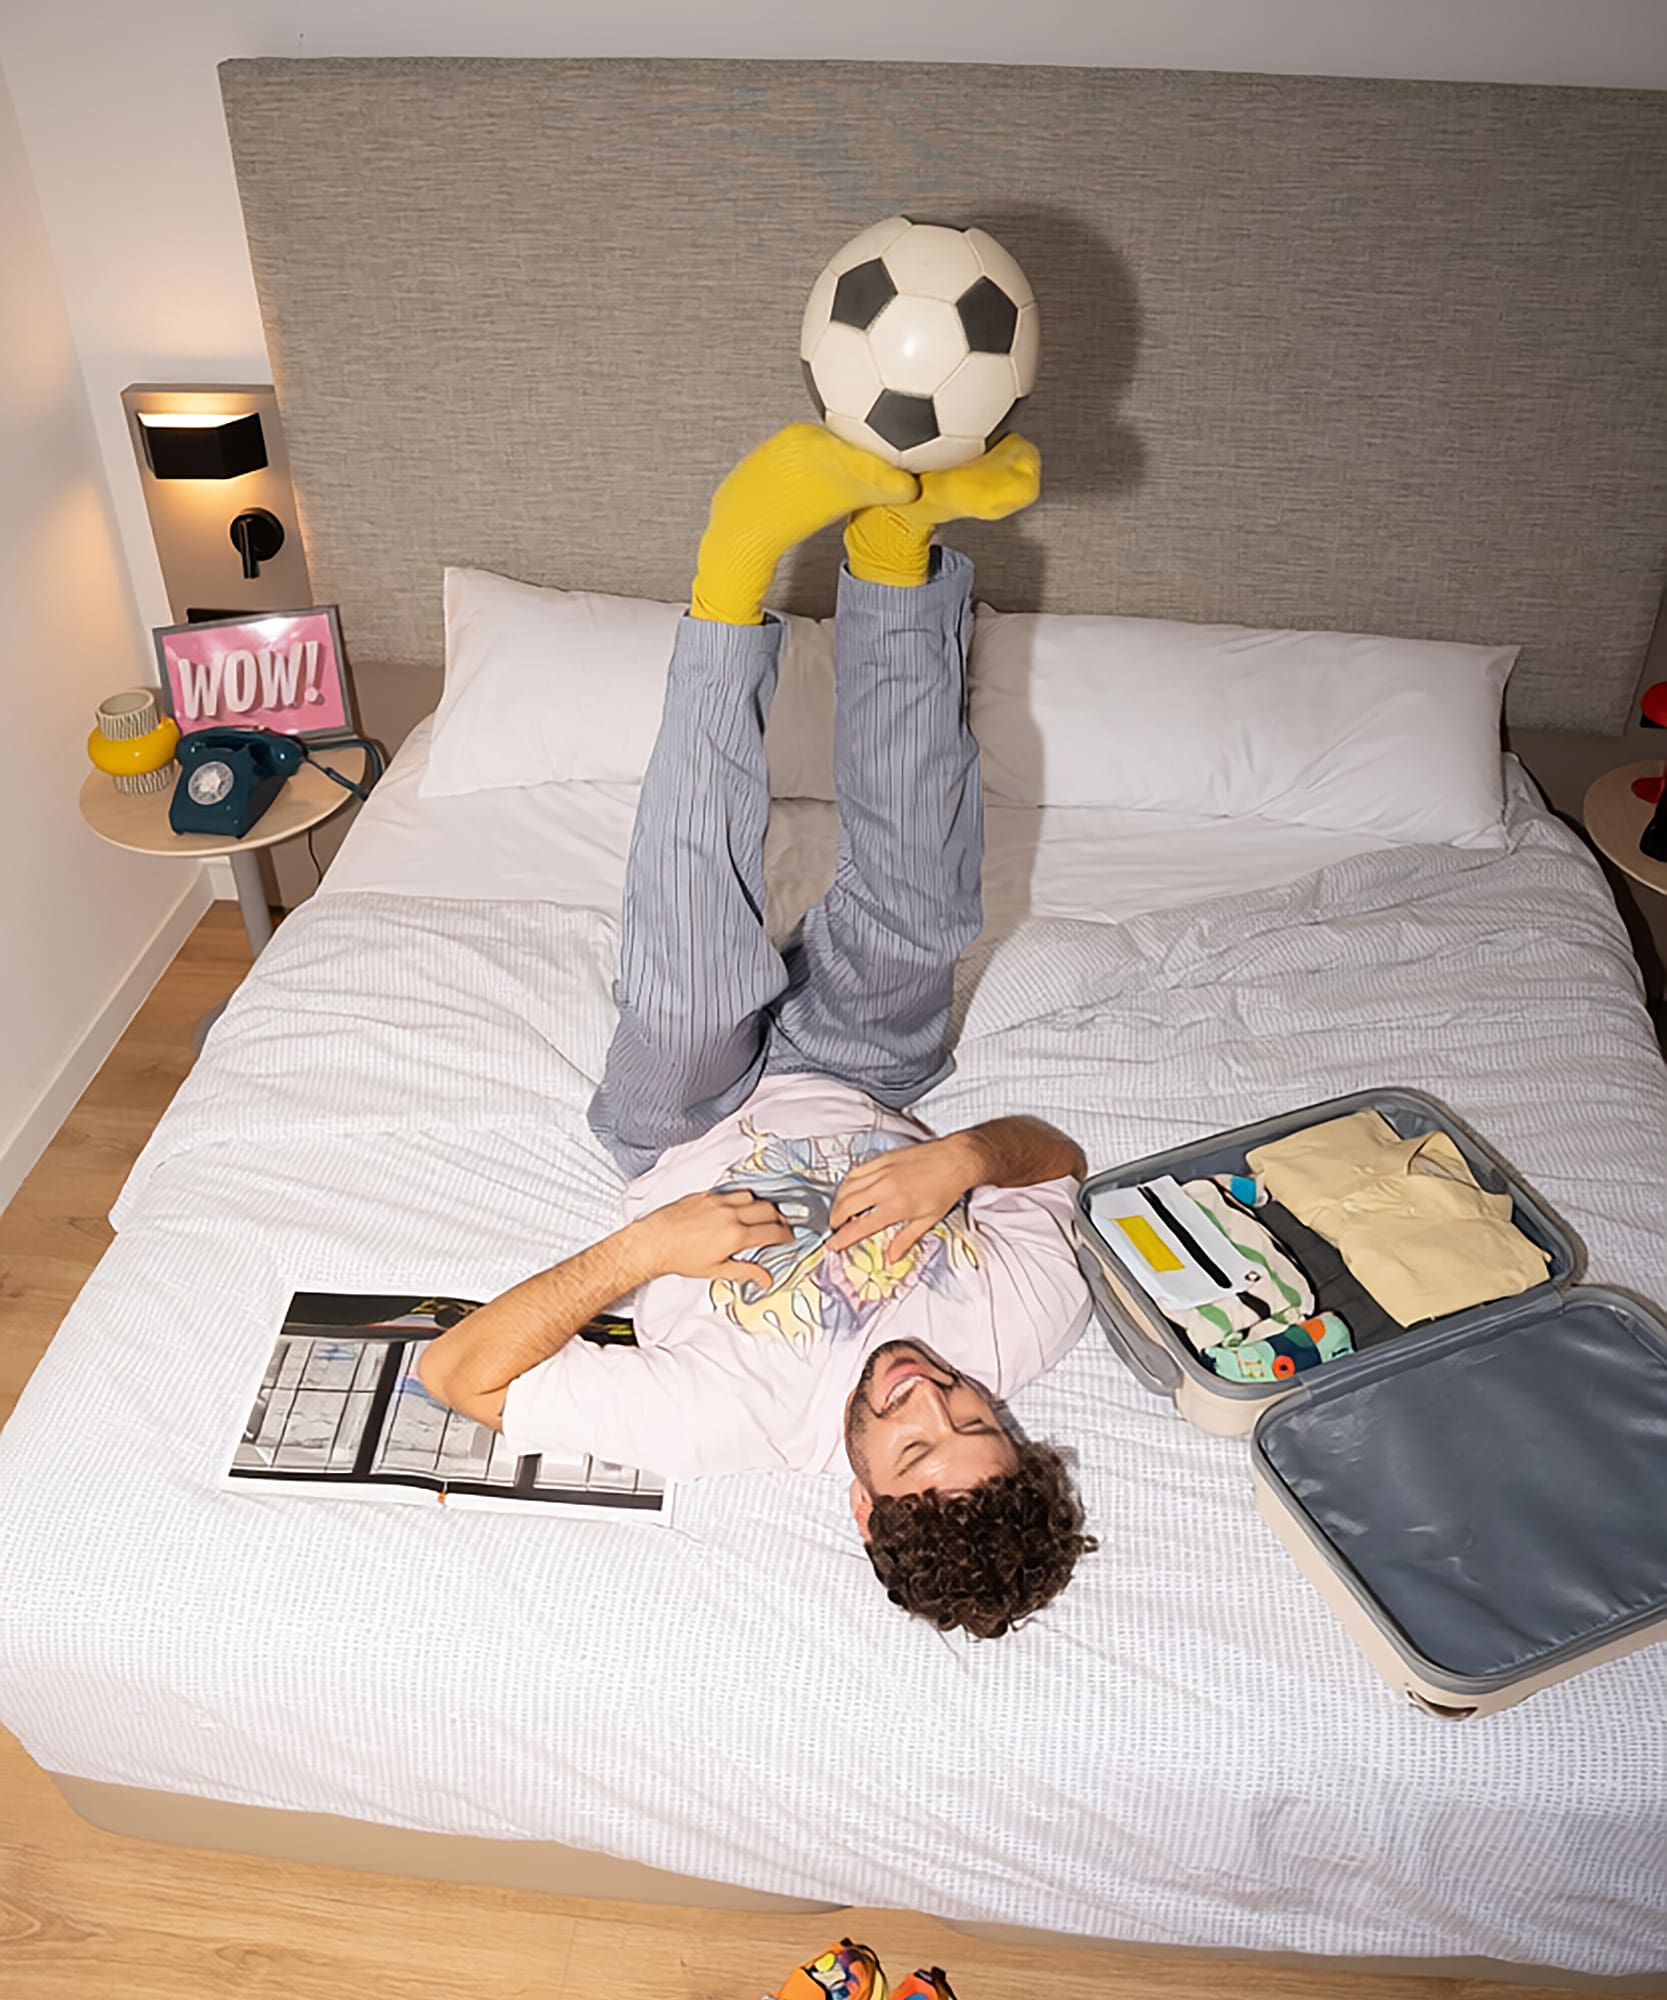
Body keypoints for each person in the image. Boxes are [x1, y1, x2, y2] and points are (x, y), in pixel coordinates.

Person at [420, 424, 1097, 1637]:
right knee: (921, 913)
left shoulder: (728, 1424)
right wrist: (964, 1159)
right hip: (862, 1069)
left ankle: (731, 581)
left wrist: (644, 1249)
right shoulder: (1027, 1327)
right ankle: (893, 561)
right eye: (974, 1419)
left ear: (858, 1503)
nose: (926, 1393)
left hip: (682, 1120)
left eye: (909, 1445)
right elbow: (1054, 1155)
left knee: (689, 970)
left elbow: (456, 1374)